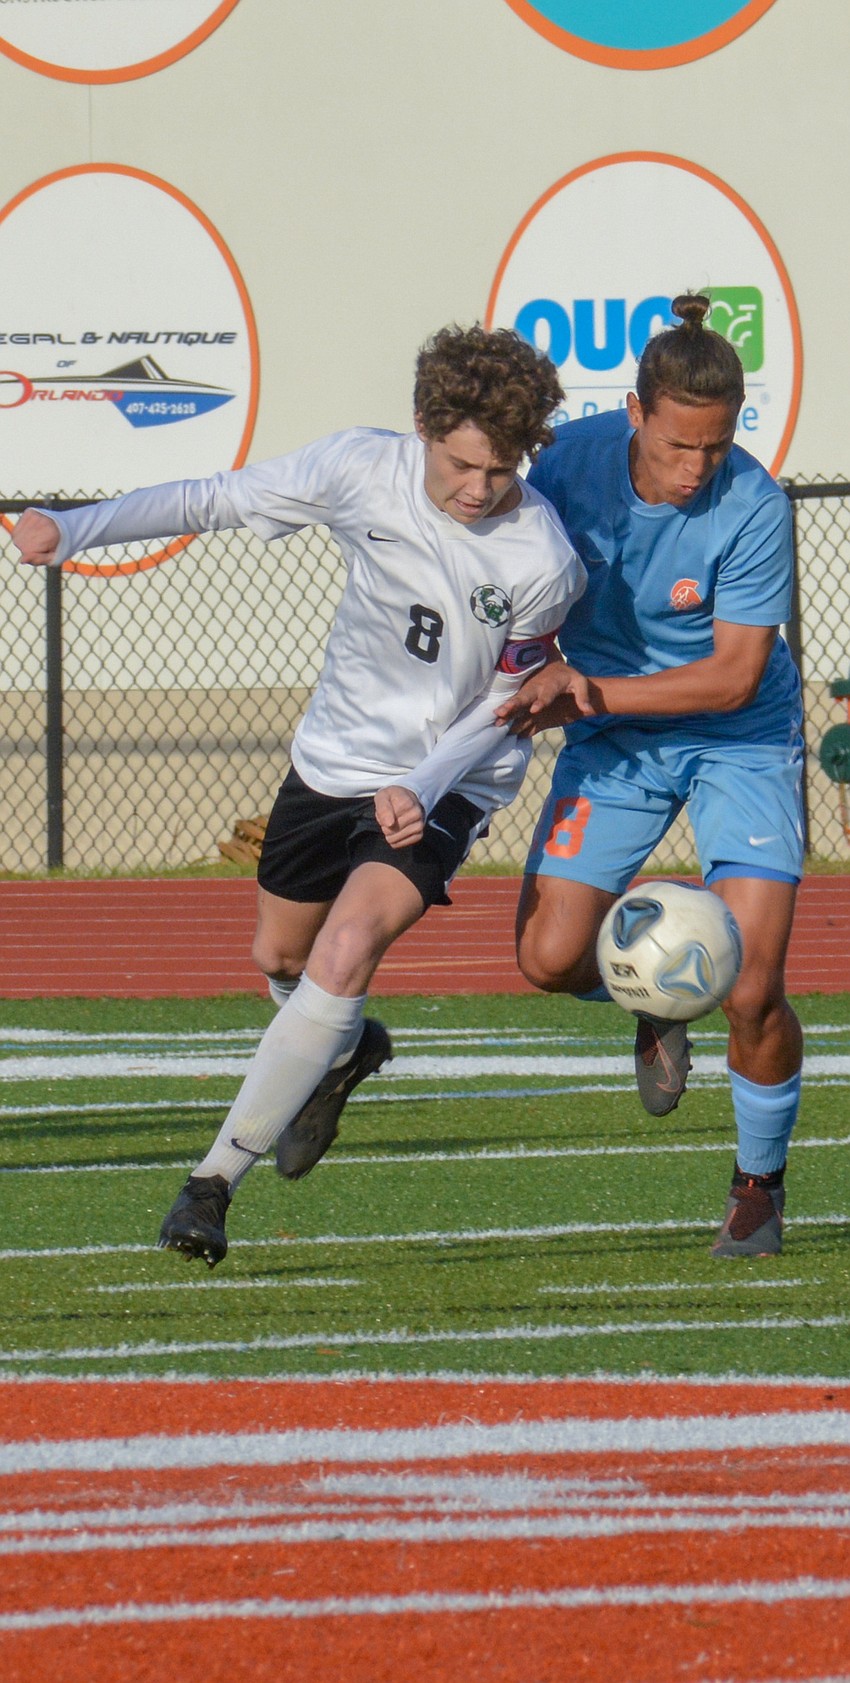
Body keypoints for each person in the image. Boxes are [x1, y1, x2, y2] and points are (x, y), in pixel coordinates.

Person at [13, 323, 587, 1267]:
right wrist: (72, 529)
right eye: (461, 464)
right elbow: (210, 498)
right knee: (280, 956)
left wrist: (423, 782)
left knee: (348, 945)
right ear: (423, 427)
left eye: (501, 469)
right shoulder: (357, 467)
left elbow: (509, 701)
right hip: (334, 758)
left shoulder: (543, 559)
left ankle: (210, 1184)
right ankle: (344, 1048)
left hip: (449, 776)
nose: (478, 488)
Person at [495, 293, 804, 1259]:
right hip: (615, 733)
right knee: (548, 959)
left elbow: (734, 676)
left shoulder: (754, 505)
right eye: (678, 445)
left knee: (752, 987)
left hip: (738, 738)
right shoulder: (564, 465)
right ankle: (653, 1001)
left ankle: (757, 1187)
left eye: (716, 446)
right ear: (635, 412)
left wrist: (589, 691)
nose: (696, 468)